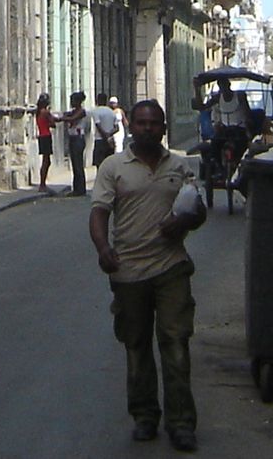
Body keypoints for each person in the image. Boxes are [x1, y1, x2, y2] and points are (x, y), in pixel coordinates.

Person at [90, 98, 206, 451]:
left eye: (153, 123)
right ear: (132, 126)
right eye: (140, 123)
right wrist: (103, 250)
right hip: (129, 272)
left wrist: (184, 220)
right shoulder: (113, 167)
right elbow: (99, 213)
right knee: (137, 347)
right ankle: (144, 416)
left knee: (175, 344)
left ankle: (181, 422)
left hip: (171, 267)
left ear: (163, 128)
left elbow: (197, 211)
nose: (146, 128)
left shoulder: (181, 166)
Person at [60, 89, 91, 195]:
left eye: (72, 100)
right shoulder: (73, 111)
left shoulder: (81, 111)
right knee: (74, 163)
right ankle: (77, 188)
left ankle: (80, 189)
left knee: (78, 164)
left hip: (78, 139)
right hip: (73, 138)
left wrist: (62, 118)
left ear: (78, 101)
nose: (71, 102)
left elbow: (72, 118)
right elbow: (68, 115)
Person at [91, 92, 121, 168]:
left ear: (97, 100)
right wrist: (109, 134)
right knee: (109, 164)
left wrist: (105, 135)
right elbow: (117, 128)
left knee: (100, 165)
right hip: (111, 140)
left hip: (100, 140)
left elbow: (98, 125)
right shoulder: (111, 112)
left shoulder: (96, 111)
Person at [33, 93, 56, 192]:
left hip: (41, 136)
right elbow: (53, 124)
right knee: (46, 161)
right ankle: (42, 184)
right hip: (46, 136)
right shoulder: (45, 112)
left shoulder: (38, 112)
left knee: (46, 160)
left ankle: (43, 184)